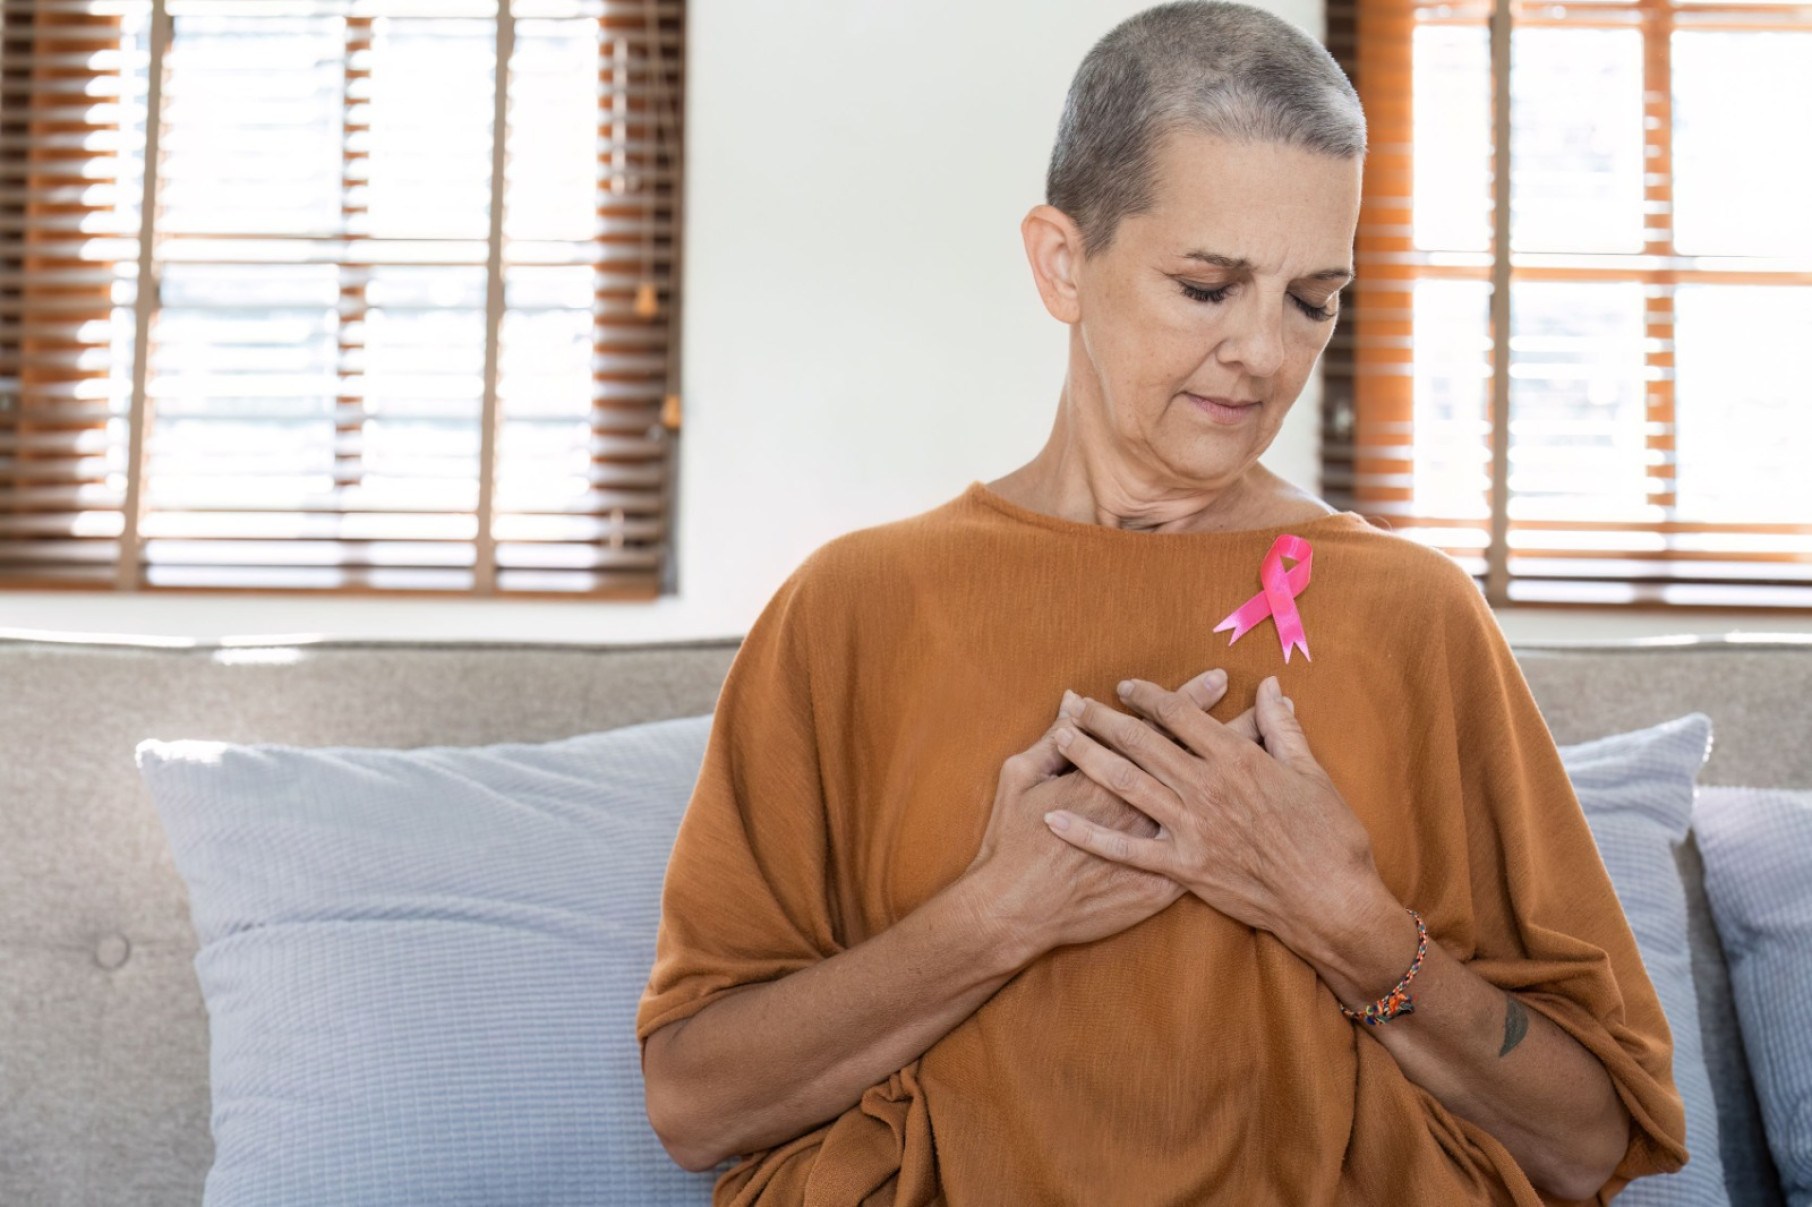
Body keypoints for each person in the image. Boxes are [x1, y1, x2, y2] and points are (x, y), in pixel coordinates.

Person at [636, 1, 1690, 1202]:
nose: (1265, 351)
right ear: (1061, 262)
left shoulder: (1415, 615)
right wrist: (994, 918)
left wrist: (1342, 918)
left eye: (1311, 299)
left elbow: (1592, 1140)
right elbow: (696, 1103)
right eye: (1207, 285)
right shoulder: (854, 608)